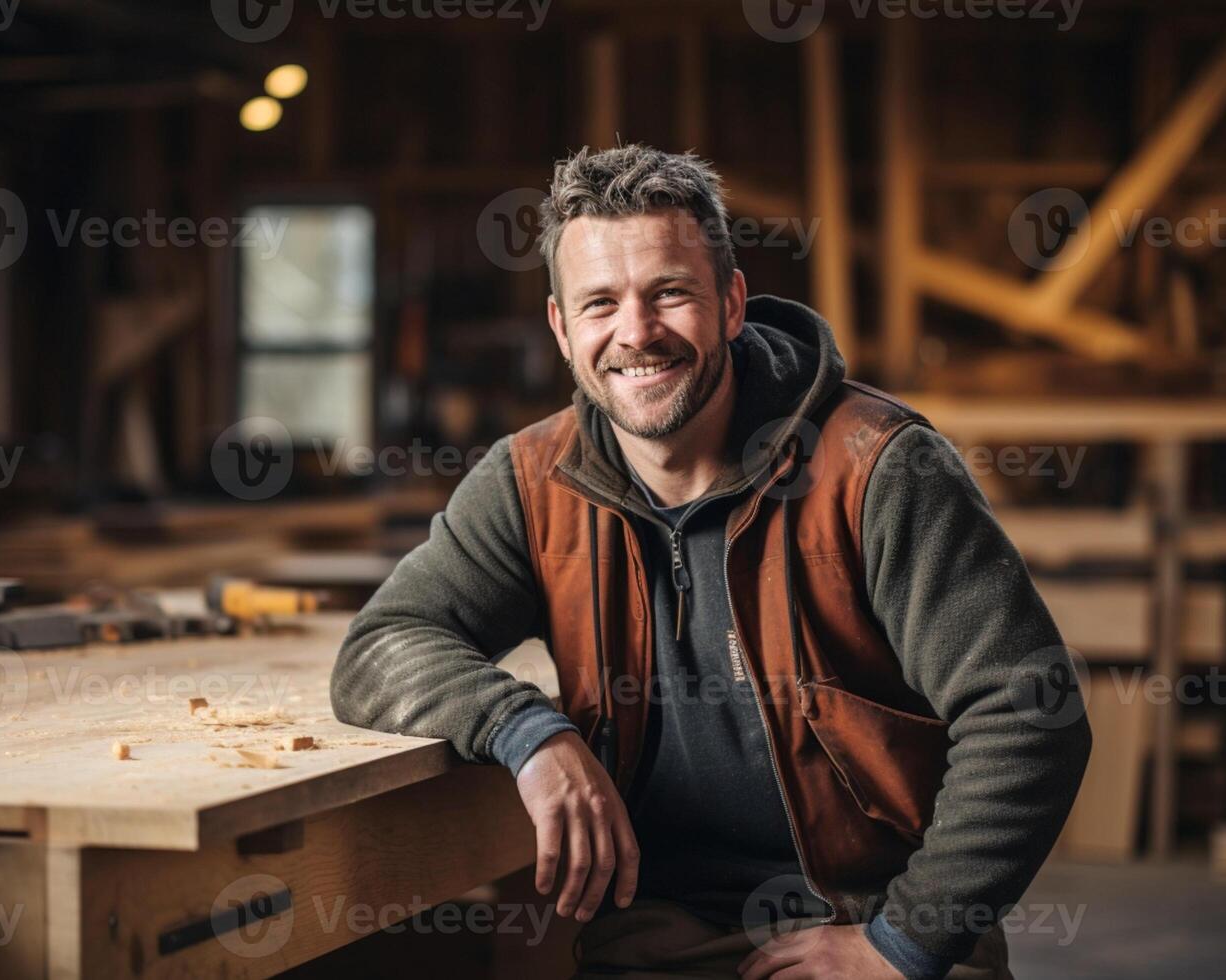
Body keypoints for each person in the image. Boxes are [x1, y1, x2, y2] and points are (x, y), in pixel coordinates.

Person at [331, 144, 1091, 979]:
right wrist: (529, 732)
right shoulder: (529, 483)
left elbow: (1027, 714)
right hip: (663, 932)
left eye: (670, 293)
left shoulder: (878, 469)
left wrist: (905, 942)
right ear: (560, 328)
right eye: (599, 305)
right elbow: (384, 644)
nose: (636, 333)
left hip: (876, 918)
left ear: (731, 303)